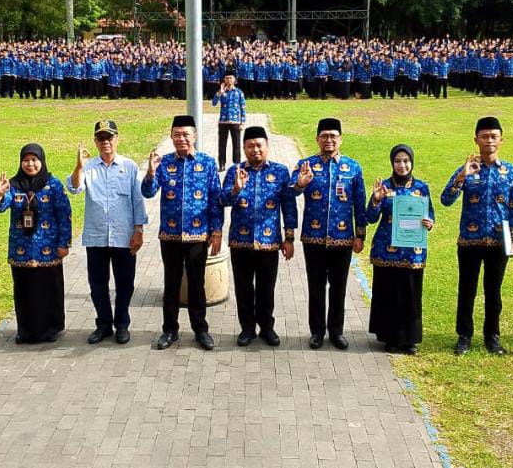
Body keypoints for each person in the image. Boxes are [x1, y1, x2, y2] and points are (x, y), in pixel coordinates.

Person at [440, 116, 513, 355]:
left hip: (498, 241)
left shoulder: (510, 172)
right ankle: (464, 336)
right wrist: (461, 177)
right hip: (470, 240)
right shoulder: (468, 168)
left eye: (494, 136)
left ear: (501, 140)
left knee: (493, 291)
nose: (489, 141)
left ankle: (492, 336)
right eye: (484, 136)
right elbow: (446, 200)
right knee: (467, 289)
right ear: (476, 139)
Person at [142, 115, 223, 351]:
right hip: (170, 235)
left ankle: (201, 330)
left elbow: (216, 201)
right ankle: (170, 330)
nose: (181, 139)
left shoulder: (207, 163)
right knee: (172, 284)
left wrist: (216, 232)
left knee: (197, 285)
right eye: (177, 134)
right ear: (171, 136)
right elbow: (148, 193)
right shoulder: (164, 163)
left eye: (186, 134)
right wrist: (149, 172)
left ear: (195, 136)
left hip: (198, 236)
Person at [67, 120, 146, 345]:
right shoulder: (88, 167)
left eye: (109, 138)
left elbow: (137, 201)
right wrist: (79, 166)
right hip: (97, 236)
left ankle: (122, 324)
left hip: (124, 236)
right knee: (97, 283)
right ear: (95, 141)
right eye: (101, 138)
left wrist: (139, 230)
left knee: (125, 283)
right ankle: (103, 324)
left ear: (117, 139)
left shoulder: (129, 166)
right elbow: (74, 188)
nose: (105, 142)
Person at [291, 117, 366, 350]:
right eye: (324, 136)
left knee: (339, 286)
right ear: (317, 139)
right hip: (313, 237)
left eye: (333, 136)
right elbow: (290, 191)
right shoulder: (306, 164)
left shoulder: (353, 167)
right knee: (315, 286)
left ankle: (336, 331)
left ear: (340, 139)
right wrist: (301, 184)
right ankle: (317, 332)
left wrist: (360, 234)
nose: (329, 140)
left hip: (342, 238)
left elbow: (359, 203)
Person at [220, 125, 297, 347]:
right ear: (243, 148)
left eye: (259, 145)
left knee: (266, 288)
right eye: (250, 146)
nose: (255, 150)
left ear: (267, 146)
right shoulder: (235, 171)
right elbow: (223, 200)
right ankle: (247, 328)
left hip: (269, 242)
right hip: (240, 242)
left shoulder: (281, 172)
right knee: (243, 288)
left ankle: (267, 327)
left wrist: (289, 238)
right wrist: (236, 188)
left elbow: (288, 206)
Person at [0, 143, 72, 343]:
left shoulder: (53, 185)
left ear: (42, 161)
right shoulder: (13, 185)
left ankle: (51, 329)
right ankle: (25, 331)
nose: (30, 164)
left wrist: (64, 244)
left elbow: (64, 215)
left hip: (49, 249)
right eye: (26, 160)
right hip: (22, 250)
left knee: (48, 289)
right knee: (24, 290)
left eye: (34, 160)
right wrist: (0, 194)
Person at [366, 144, 434, 354]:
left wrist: (429, 222)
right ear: (392, 163)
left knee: (411, 295)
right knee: (388, 294)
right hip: (386, 250)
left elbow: (430, 213)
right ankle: (389, 338)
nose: (402, 165)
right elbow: (370, 217)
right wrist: (376, 200)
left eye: (406, 161)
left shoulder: (421, 188)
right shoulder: (384, 187)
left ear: (411, 162)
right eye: (398, 161)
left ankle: (409, 339)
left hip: (412, 252)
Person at [211, 71, 246, 169]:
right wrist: (219, 93)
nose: (229, 80)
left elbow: (243, 108)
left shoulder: (239, 92)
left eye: (231, 78)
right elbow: (213, 104)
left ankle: (237, 164)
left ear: (235, 80)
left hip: (235, 122)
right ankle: (222, 164)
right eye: (227, 78)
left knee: (237, 144)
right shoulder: (222, 91)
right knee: (222, 144)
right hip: (223, 122)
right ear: (224, 80)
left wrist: (242, 122)